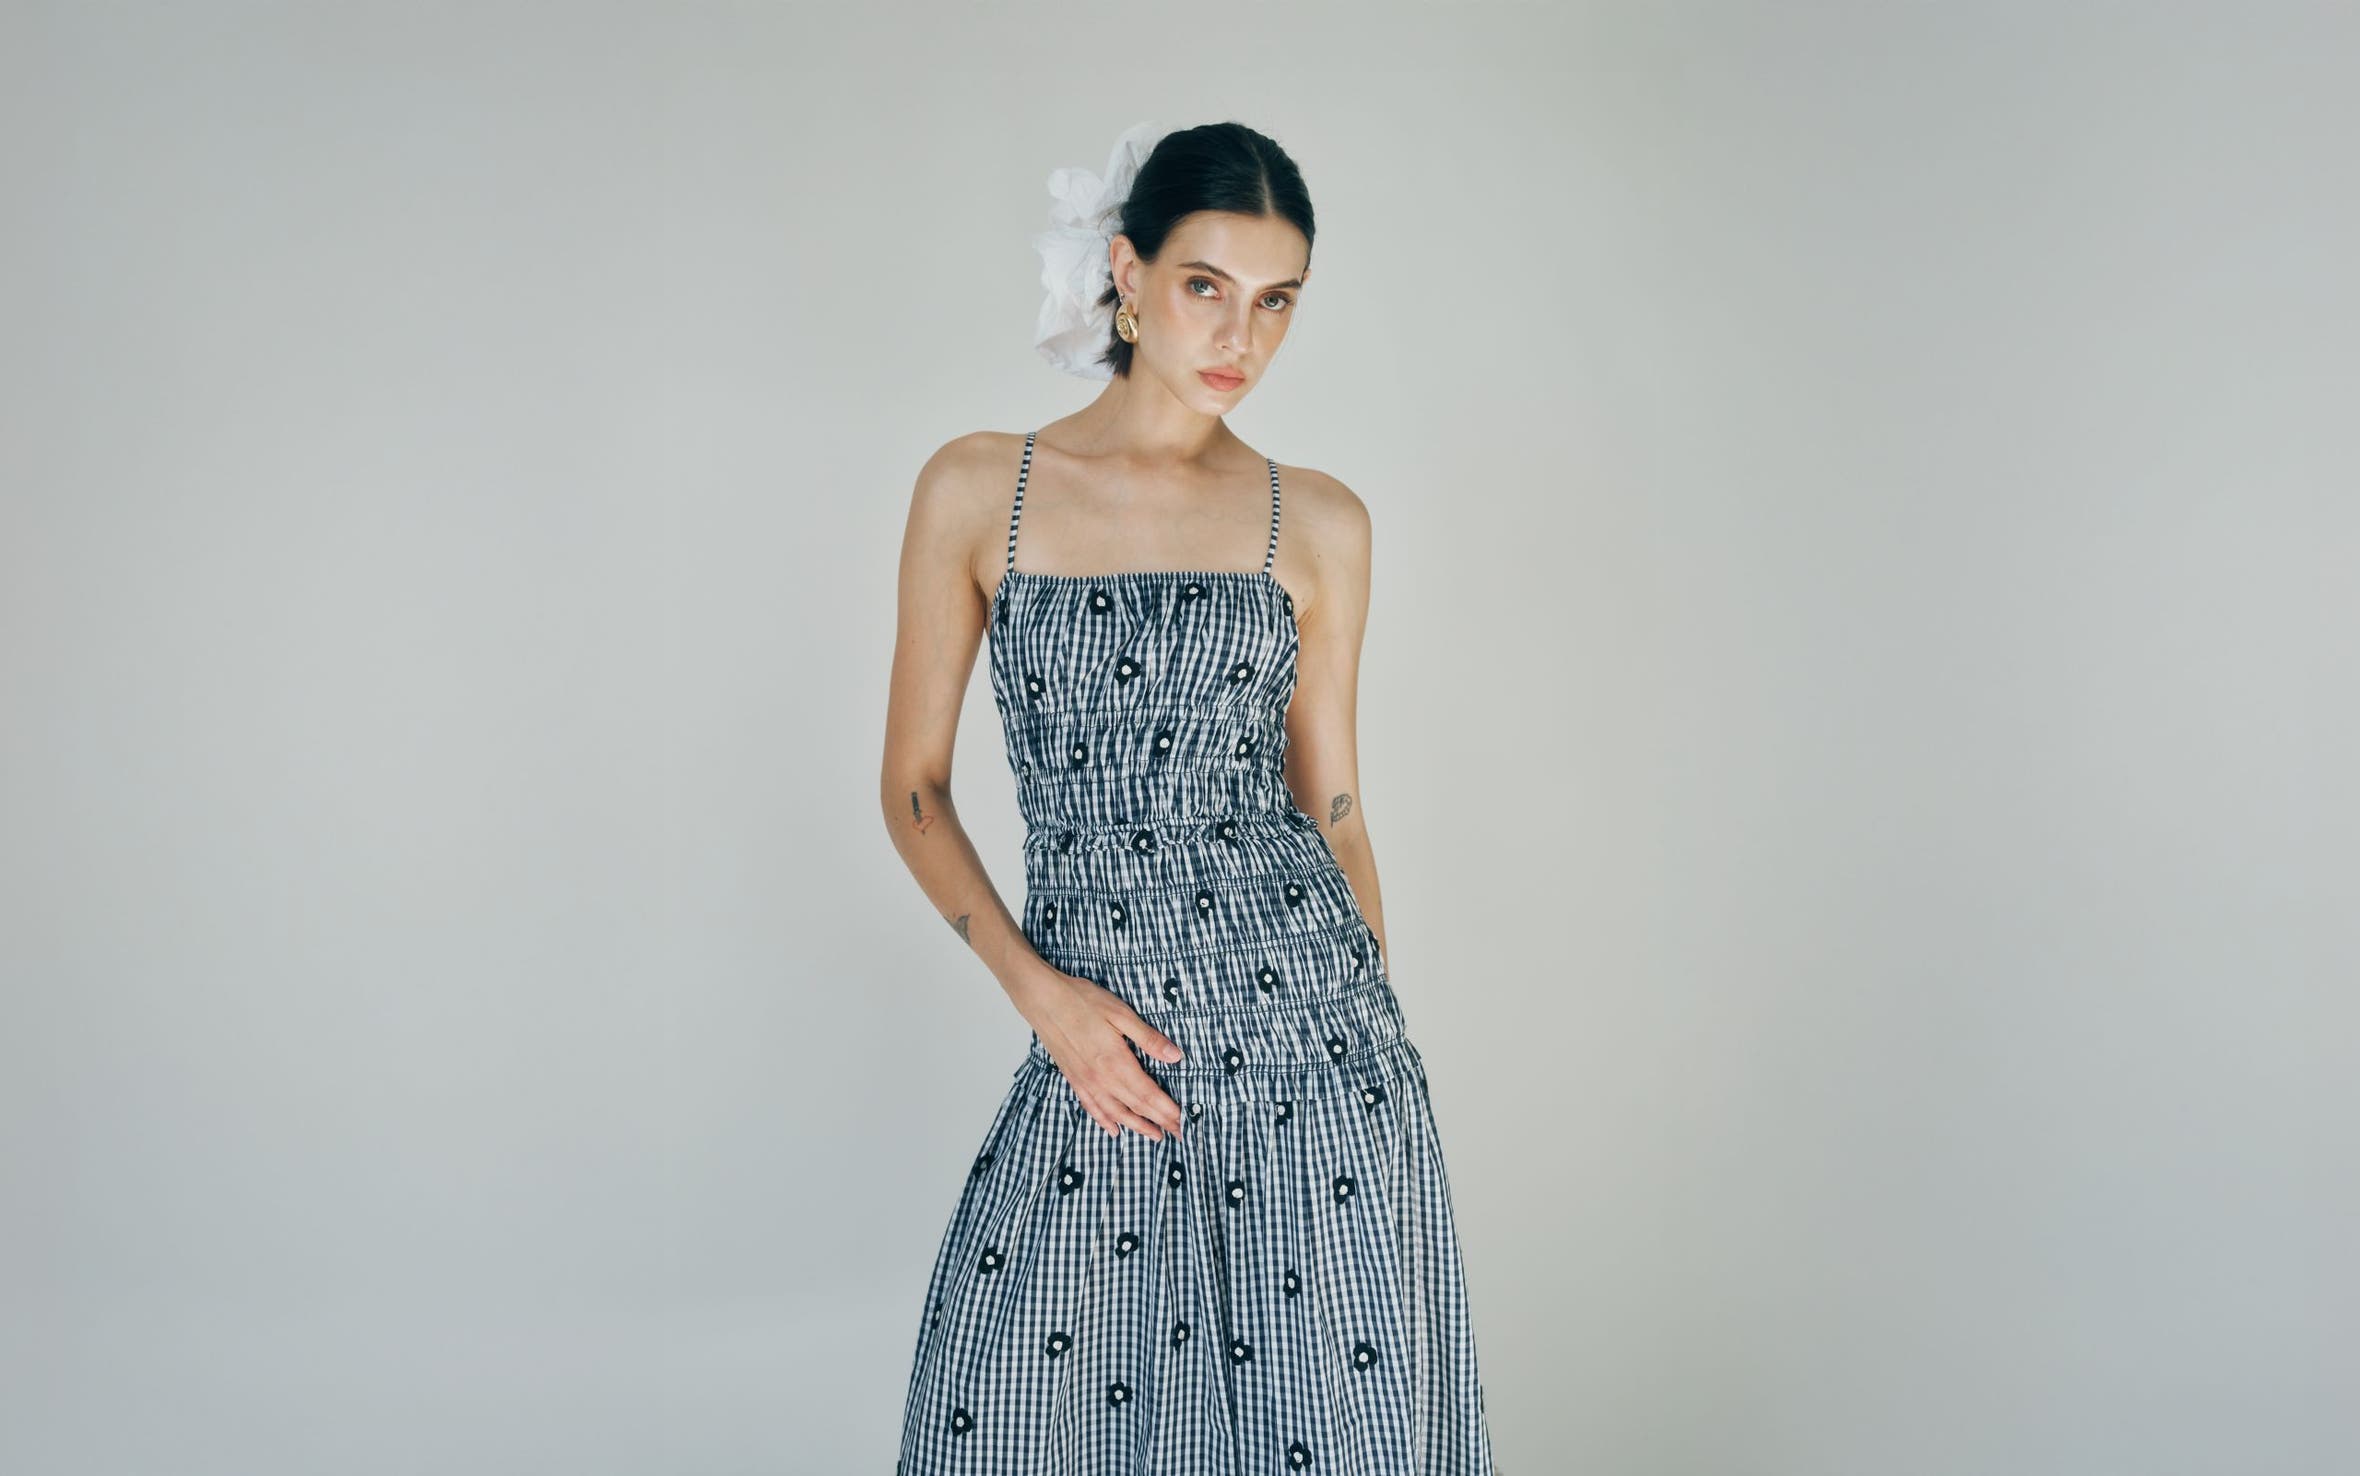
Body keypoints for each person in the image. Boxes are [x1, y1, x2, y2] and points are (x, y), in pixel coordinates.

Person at [879, 121, 1498, 1473]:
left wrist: (1373, 1044)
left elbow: (1333, 805)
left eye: (1278, 300)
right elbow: (915, 791)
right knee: (1018, 1419)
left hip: (1315, 1050)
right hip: (1111, 1048)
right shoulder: (983, 486)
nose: (1244, 336)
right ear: (1127, 272)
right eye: (1209, 285)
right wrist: (1046, 1002)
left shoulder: (1316, 520)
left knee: (1315, 1440)